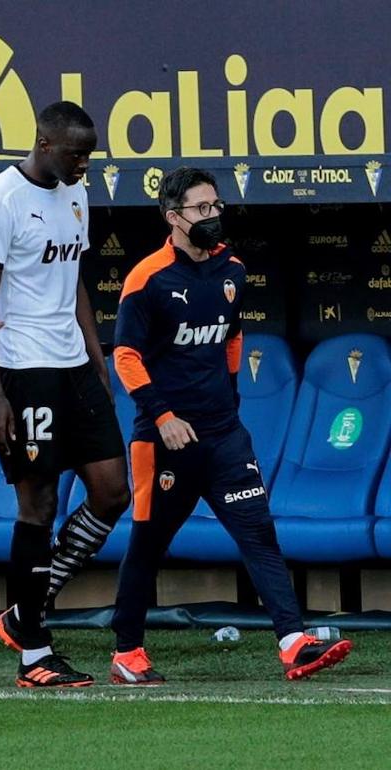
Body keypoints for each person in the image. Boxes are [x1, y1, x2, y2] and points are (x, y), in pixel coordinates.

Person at [108, 167, 352, 684]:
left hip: (223, 435)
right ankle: (127, 652)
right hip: (164, 439)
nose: (213, 216)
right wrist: (164, 416)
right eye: (202, 209)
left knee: (258, 532)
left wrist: (230, 398)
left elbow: (233, 337)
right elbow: (126, 356)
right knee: (148, 542)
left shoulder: (232, 270)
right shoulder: (146, 278)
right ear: (174, 218)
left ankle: (293, 642)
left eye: (216, 206)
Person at [0, 101, 130, 688]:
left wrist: (97, 355)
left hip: (74, 366)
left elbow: (76, 279)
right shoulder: (2, 199)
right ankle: (34, 652)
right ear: (43, 142)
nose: (84, 164)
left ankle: (24, 608)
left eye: (89, 155)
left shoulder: (75, 192)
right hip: (23, 370)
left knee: (113, 491)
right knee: (37, 506)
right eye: (75, 154)